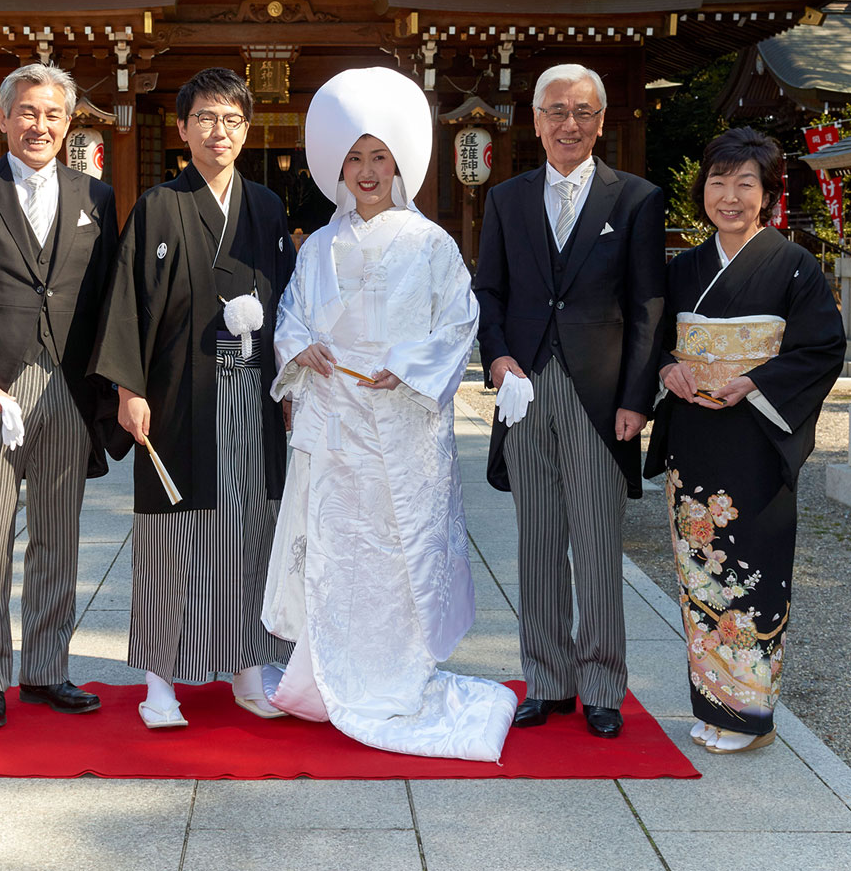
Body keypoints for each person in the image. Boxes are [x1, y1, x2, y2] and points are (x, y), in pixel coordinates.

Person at [262, 67, 517, 760]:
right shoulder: (319, 245)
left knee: (398, 557)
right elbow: (289, 316)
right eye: (354, 157)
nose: (367, 171)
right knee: (337, 555)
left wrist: (405, 367)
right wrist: (300, 347)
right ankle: (322, 677)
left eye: (379, 157)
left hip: (401, 425)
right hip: (336, 423)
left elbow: (459, 321)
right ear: (337, 167)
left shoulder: (428, 242)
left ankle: (398, 679)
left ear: (397, 163)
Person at [91, 67, 294, 729]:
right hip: (178, 395)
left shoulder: (266, 206)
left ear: (248, 128)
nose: (220, 132)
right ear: (182, 129)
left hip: (251, 392)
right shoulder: (160, 204)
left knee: (252, 531)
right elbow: (129, 303)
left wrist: (292, 383)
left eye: (233, 120)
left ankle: (248, 670)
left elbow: (291, 304)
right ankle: (160, 682)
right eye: (206, 118)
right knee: (171, 537)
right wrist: (129, 386)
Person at [474, 63, 665, 739]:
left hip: (601, 392)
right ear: (535, 120)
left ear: (602, 121)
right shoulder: (508, 200)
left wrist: (637, 398)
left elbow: (648, 306)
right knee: (539, 540)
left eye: (583, 111)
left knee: (595, 540)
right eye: (556, 110)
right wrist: (495, 356)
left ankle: (604, 683)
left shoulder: (635, 199)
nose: (569, 124)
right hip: (525, 386)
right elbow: (488, 292)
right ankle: (548, 680)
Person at [645, 127, 843, 754]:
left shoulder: (793, 265)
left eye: (745, 184)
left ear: (767, 194)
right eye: (718, 181)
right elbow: (655, 339)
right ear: (703, 187)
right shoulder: (684, 269)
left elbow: (822, 349)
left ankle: (750, 715)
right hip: (695, 442)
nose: (729, 196)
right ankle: (714, 703)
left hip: (755, 442)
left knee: (751, 574)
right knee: (700, 575)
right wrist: (667, 369)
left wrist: (753, 380)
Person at [0, 62, 118, 729]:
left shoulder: (95, 197)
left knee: (58, 538)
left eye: (52, 114)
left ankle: (47, 669)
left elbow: (104, 299)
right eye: (27, 112)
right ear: (3, 118)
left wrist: (111, 384)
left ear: (68, 123)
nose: (39, 124)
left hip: (68, 385)